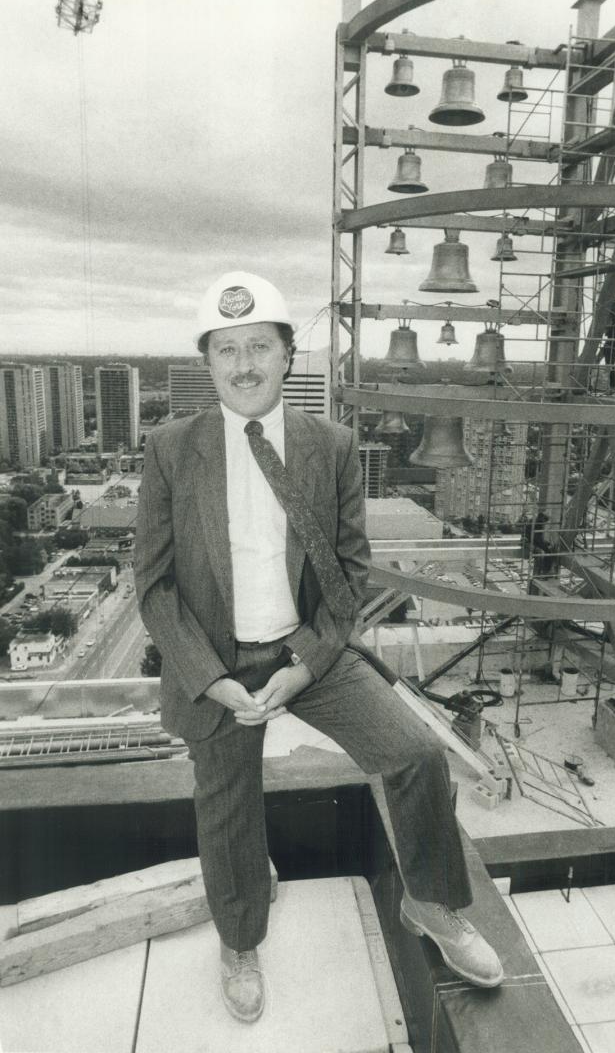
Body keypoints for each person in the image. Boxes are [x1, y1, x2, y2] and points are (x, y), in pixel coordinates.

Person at [134, 271, 503, 1024]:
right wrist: (210, 679)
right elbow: (155, 585)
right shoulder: (172, 449)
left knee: (415, 754)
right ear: (208, 363)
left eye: (259, 348)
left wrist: (306, 664)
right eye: (226, 350)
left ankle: (430, 905)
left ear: (288, 356)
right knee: (229, 808)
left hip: (308, 650)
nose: (243, 365)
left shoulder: (330, 446)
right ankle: (239, 940)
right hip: (216, 659)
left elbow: (349, 576)